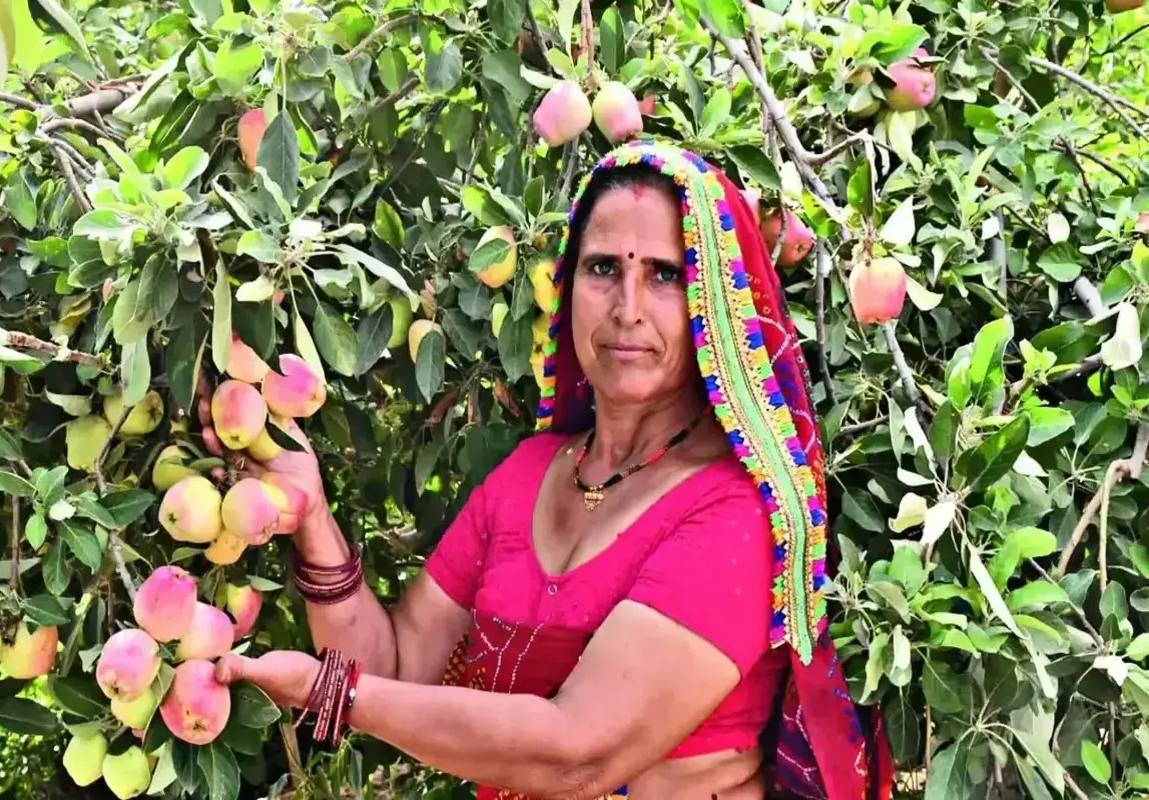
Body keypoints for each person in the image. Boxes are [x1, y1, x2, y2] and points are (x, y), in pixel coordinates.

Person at [216, 140, 894, 800]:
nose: (627, 307)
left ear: (711, 304)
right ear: (567, 289)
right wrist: (312, 517)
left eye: (665, 274)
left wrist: (330, 692)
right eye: (603, 269)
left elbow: (581, 752)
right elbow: (394, 670)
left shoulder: (735, 512)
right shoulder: (528, 474)